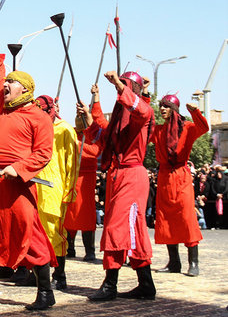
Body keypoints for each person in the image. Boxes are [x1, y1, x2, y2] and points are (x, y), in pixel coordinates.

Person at [0, 24, 58, 311]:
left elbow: (43, 154)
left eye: (11, 82)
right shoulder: (0, 108)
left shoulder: (39, 118)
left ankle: (45, 293)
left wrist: (18, 168)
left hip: (17, 185)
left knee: (28, 235)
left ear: (26, 90)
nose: (5, 85)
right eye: (6, 83)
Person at [79, 70, 156, 301]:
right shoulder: (120, 121)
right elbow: (104, 136)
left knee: (116, 228)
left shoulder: (142, 113)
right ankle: (146, 284)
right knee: (134, 231)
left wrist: (121, 87)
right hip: (118, 175)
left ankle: (110, 284)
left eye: (123, 85)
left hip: (132, 175)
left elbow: (142, 110)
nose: (118, 89)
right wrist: (89, 116)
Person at [151, 94, 208, 276]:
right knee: (166, 219)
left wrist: (194, 111)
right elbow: (142, 126)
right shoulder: (159, 130)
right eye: (161, 106)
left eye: (166, 106)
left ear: (174, 109)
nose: (162, 109)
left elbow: (204, 127)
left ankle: (193, 262)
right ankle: (174, 263)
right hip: (164, 177)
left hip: (181, 177)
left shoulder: (187, 128)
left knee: (187, 218)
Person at [35, 94, 78, 291]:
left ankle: (59, 275)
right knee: (35, 234)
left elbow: (73, 163)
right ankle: (35, 273)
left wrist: (69, 192)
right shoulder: (35, 127)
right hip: (35, 187)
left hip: (54, 189)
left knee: (54, 235)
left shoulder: (66, 130)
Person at [65, 86, 104, 262]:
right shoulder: (71, 132)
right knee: (69, 214)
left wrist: (76, 144)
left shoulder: (93, 135)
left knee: (86, 215)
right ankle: (69, 247)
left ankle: (90, 250)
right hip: (72, 177)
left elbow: (95, 150)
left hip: (87, 178)